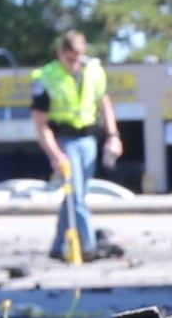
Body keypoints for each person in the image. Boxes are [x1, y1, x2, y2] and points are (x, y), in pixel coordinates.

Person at [35, 26, 125, 263]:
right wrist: (55, 154)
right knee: (75, 196)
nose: (74, 64)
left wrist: (113, 135)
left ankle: (58, 246)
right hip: (64, 140)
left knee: (77, 194)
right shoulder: (47, 77)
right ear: (60, 54)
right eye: (69, 59)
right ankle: (88, 246)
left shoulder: (94, 72)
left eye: (77, 58)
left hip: (88, 140)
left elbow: (105, 104)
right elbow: (40, 123)